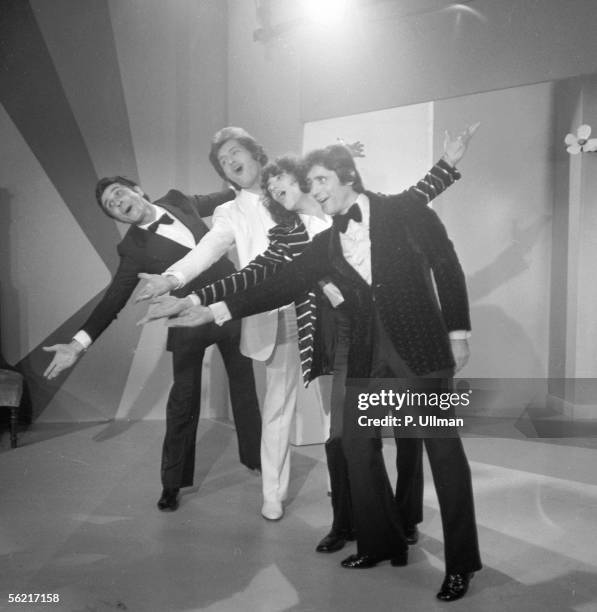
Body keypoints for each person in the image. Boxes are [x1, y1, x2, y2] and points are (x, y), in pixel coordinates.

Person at [158, 138, 482, 601]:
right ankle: (379, 543)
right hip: (369, 355)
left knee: (442, 454)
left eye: (322, 180)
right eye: (311, 184)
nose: (317, 190)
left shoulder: (404, 211)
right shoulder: (326, 242)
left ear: (348, 176)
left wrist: (458, 333)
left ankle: (461, 564)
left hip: (420, 349)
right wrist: (212, 308)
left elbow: (447, 266)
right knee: (353, 443)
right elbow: (278, 283)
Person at [42, 177, 262, 512]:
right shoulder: (132, 250)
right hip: (186, 319)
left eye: (119, 194)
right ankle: (172, 484)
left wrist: (250, 182)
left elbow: (228, 195)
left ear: (138, 191)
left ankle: (257, 458)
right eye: (111, 207)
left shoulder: (178, 199)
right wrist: (77, 344)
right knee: (183, 401)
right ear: (119, 219)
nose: (117, 203)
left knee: (244, 386)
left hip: (229, 306)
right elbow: (112, 300)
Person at [134, 128, 307, 521]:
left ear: (256, 153)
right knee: (278, 405)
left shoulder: (291, 186)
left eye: (235, 153)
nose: (230, 162)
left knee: (335, 406)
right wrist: (172, 279)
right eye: (223, 161)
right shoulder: (230, 212)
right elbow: (207, 251)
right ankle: (273, 492)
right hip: (268, 311)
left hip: (315, 309)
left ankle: (343, 485)